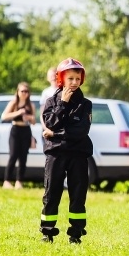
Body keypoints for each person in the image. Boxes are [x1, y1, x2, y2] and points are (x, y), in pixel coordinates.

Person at [39, 58, 93, 244]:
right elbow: (50, 122)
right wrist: (62, 104)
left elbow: (81, 132)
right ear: (61, 79)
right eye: (70, 78)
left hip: (78, 155)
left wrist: (54, 133)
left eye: (77, 78)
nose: (74, 82)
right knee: (51, 193)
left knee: (78, 196)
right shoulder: (51, 102)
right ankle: (47, 232)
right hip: (56, 154)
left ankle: (76, 234)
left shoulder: (86, 104)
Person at [1, 82, 36, 189]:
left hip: (26, 130)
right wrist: (18, 113)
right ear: (17, 92)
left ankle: (19, 181)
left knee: (23, 157)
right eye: (22, 91)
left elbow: (34, 121)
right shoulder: (13, 103)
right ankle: (7, 181)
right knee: (13, 155)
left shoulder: (31, 105)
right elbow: (4, 116)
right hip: (15, 130)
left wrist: (29, 118)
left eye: (26, 91)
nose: (24, 93)